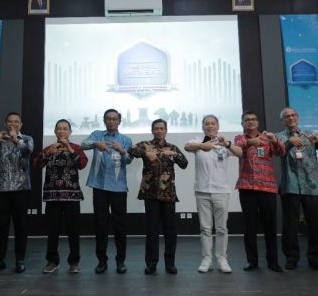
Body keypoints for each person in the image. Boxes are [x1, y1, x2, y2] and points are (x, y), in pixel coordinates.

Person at [128, 119, 188, 275]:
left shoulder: (172, 148)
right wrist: (146, 153)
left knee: (170, 230)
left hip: (168, 194)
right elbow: (131, 150)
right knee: (152, 230)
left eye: (162, 128)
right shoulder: (146, 144)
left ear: (166, 130)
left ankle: (170, 263)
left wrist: (174, 154)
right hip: (151, 194)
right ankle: (151, 263)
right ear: (152, 130)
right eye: (156, 128)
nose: (159, 131)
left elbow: (184, 164)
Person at [184, 114, 242, 273]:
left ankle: (222, 258)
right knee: (205, 228)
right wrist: (202, 146)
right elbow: (187, 146)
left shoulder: (224, 143)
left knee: (222, 228)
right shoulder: (198, 140)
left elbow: (239, 152)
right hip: (202, 191)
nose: (210, 126)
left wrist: (228, 144)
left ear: (218, 126)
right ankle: (207, 259)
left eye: (213, 124)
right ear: (203, 127)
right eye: (207, 124)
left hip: (221, 191)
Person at [81, 109, 134, 274]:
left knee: (120, 226)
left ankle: (121, 261)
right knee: (100, 224)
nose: (111, 122)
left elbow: (129, 160)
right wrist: (96, 144)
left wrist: (121, 150)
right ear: (104, 121)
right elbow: (83, 144)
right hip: (100, 187)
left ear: (119, 121)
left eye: (114, 119)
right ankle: (102, 261)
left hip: (118, 188)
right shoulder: (97, 134)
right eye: (108, 119)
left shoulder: (125, 140)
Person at [34, 119, 88, 274]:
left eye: (65, 129)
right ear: (55, 132)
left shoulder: (76, 148)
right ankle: (52, 261)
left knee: (73, 230)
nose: (62, 131)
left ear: (70, 132)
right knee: (52, 231)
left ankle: (74, 262)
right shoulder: (49, 148)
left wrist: (70, 150)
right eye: (59, 129)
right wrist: (47, 153)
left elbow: (82, 164)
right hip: (52, 197)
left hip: (71, 196)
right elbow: (36, 165)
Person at [233, 111, 284, 272]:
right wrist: (250, 143)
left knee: (270, 226)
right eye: (247, 120)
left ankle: (273, 261)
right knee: (250, 226)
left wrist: (275, 140)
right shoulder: (240, 138)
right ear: (242, 124)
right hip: (247, 187)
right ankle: (252, 261)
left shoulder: (268, 137)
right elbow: (238, 149)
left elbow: (280, 152)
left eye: (253, 119)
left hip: (267, 186)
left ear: (258, 122)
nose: (250, 122)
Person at [275, 107, 318, 271]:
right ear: (282, 120)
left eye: (293, 115)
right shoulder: (279, 137)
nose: (290, 118)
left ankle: (314, 258)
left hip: (312, 185)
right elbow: (277, 151)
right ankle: (291, 258)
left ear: (298, 117)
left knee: (314, 224)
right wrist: (290, 142)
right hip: (290, 186)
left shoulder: (309, 134)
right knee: (290, 225)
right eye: (286, 116)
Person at [0, 112, 34, 274]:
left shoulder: (26, 138)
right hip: (1, 189)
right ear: (6, 123)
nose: (12, 124)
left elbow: (27, 151)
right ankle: (0, 260)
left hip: (21, 189)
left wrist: (15, 139)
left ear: (21, 124)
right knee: (2, 227)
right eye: (10, 121)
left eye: (16, 122)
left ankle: (20, 260)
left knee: (20, 226)